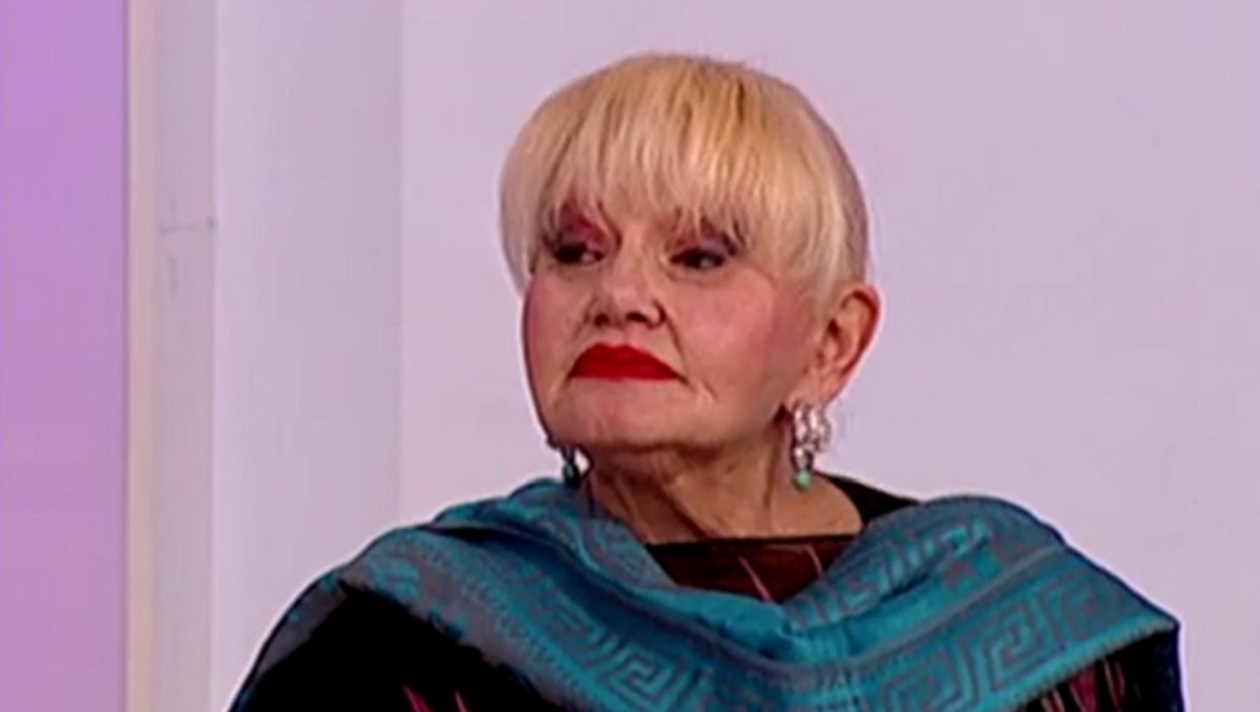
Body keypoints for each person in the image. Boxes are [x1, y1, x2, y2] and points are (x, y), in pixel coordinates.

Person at [230, 53, 1182, 711]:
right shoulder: (404, 642)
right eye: (574, 251)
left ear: (832, 343)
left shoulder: (1036, 640)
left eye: (697, 257)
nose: (619, 296)